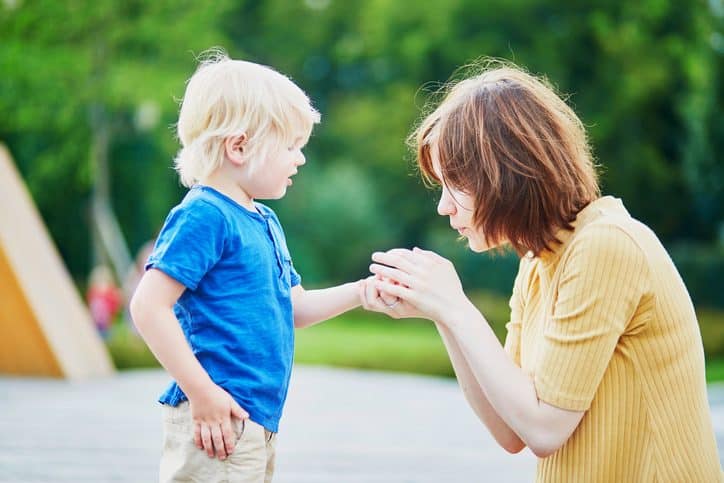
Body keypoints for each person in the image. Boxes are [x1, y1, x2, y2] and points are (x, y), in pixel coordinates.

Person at [362, 61, 723, 481]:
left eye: (455, 185)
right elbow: (510, 428)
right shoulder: (539, 262)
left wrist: (457, 307)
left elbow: (543, 428)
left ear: (506, 173)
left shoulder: (605, 245)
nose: (443, 206)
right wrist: (443, 313)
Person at [129, 50, 362, 483]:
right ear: (238, 146)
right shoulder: (205, 214)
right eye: (292, 146)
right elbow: (148, 307)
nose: (301, 158)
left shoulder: (264, 220)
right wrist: (202, 393)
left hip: (254, 423)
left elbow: (294, 309)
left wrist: (362, 292)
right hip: (217, 422)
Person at [86, 264, 123, 339]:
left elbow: (115, 305)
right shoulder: (94, 292)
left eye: (104, 282)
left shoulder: (110, 293)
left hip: (105, 324)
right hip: (95, 322)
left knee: (104, 336)